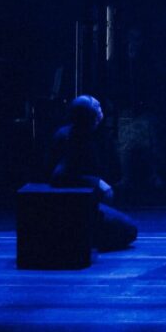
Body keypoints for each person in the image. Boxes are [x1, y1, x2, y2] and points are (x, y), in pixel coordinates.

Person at [50, 94, 138, 251]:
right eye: (97, 107)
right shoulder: (72, 138)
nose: (101, 109)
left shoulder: (80, 135)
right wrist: (96, 183)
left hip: (81, 201)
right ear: (91, 117)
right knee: (129, 231)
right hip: (70, 206)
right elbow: (59, 176)